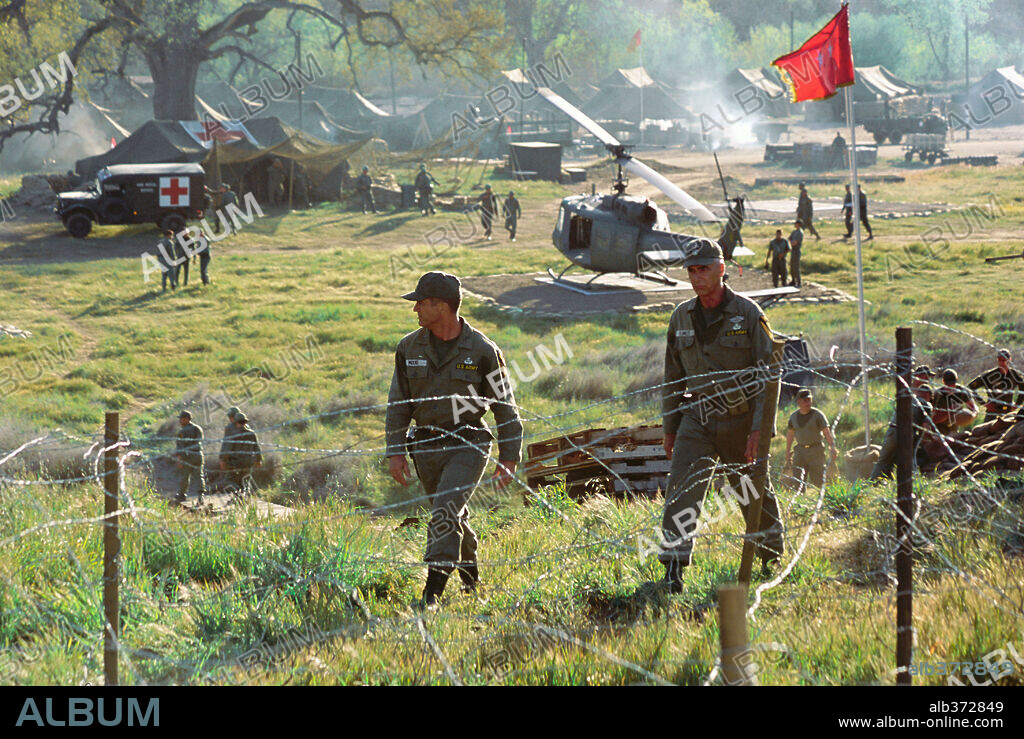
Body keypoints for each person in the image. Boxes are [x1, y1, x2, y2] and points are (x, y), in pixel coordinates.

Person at [385, 271, 523, 607]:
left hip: (468, 443)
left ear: (442, 306)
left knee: (445, 512)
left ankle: (430, 595)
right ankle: (472, 580)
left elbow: (505, 408)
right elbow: (398, 405)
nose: (415, 308)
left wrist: (509, 457)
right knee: (453, 515)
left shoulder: (483, 350)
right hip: (426, 447)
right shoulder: (408, 347)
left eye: (422, 302)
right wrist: (395, 451)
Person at [661, 239, 784, 591]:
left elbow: (768, 375)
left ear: (721, 269)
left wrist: (761, 430)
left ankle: (770, 554)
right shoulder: (681, 316)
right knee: (682, 490)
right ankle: (673, 568)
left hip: (741, 420)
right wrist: (670, 427)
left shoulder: (748, 314)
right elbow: (672, 376)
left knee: (752, 489)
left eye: (703, 269)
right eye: (691, 270)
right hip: (696, 419)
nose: (696, 277)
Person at [870, 384, 934, 481]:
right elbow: (926, 428)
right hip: (906, 434)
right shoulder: (926, 404)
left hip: (892, 431)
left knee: (883, 461)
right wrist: (933, 438)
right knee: (907, 461)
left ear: (918, 392)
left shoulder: (907, 400)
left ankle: (873, 483)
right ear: (929, 395)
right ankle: (910, 484)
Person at [784, 389, 837, 494]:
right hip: (800, 450)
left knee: (818, 477)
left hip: (816, 450)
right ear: (799, 402)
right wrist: (788, 451)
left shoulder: (817, 415)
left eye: (809, 400)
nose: (808, 403)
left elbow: (826, 432)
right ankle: (799, 500)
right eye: (805, 400)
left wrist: (832, 447)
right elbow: (790, 435)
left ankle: (823, 498)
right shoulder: (793, 417)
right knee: (798, 476)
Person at [967, 349, 1024, 421]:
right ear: (997, 360)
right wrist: (984, 403)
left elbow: (1023, 389)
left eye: (1004, 360)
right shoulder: (989, 375)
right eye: (1000, 360)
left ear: (1009, 360)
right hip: (992, 412)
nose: (1002, 362)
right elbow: (970, 387)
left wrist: (1017, 404)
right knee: (984, 431)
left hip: (1008, 412)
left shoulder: (1014, 375)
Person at [225, 413, 262, 498]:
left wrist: (224, 460)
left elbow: (229, 449)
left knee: (232, 480)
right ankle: (245, 496)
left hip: (236, 461)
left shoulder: (234, 434)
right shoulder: (251, 434)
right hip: (248, 461)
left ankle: (238, 495)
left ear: (236, 422)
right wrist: (258, 460)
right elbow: (256, 448)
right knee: (245, 480)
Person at [173, 411, 206, 505]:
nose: (180, 420)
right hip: (198, 455)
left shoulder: (182, 431)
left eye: (181, 418)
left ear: (186, 419)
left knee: (185, 476)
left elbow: (180, 447)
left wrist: (179, 459)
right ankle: (201, 496)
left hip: (187, 456)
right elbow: (200, 441)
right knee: (199, 475)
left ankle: (182, 494)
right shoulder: (197, 428)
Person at [932, 368, 978, 436]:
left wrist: (972, 415)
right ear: (943, 382)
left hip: (954, 427)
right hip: (938, 428)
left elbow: (973, 407)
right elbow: (933, 419)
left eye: (952, 384)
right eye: (948, 384)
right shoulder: (937, 395)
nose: (951, 387)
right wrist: (949, 412)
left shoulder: (962, 391)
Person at [788, 220, 804, 288]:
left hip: (797, 251)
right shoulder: (794, 232)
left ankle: (799, 282)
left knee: (796, 267)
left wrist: (791, 242)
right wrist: (791, 242)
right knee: (792, 266)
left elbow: (795, 242)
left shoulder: (800, 232)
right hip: (793, 250)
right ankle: (793, 280)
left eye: (796, 224)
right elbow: (789, 239)